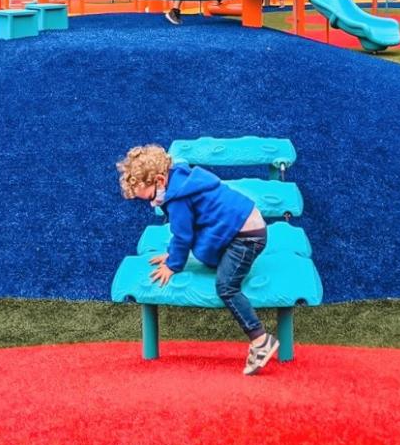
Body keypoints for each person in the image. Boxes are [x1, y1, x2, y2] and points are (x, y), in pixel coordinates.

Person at [117, 144, 279, 376]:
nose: (152, 203)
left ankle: (260, 339)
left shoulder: (177, 199)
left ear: (161, 180)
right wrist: (173, 252)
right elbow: (186, 231)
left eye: (150, 197)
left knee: (226, 286)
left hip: (247, 238)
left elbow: (184, 234)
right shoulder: (182, 178)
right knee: (210, 260)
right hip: (244, 226)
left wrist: (173, 264)